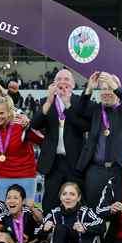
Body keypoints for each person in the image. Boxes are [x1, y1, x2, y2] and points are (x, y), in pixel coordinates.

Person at [31, 70, 88, 213]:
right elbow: (35, 124)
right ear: (54, 83)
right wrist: (50, 101)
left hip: (74, 161)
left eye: (67, 79)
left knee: (76, 200)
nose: (63, 81)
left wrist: (68, 105)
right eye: (60, 79)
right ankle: (50, 231)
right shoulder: (46, 101)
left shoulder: (80, 102)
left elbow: (84, 126)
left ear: (73, 84)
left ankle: (76, 231)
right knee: (50, 201)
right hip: (53, 162)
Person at [77, 72, 122, 208]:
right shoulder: (96, 110)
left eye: (110, 88)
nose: (107, 92)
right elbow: (80, 110)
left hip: (118, 170)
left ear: (117, 90)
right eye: (104, 88)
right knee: (93, 209)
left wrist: (114, 85)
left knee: (118, 211)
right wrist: (89, 89)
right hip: (95, 170)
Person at [40, 182, 104, 243]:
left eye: (72, 194)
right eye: (64, 194)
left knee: (89, 232)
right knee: (60, 228)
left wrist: (84, 227)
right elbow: (37, 231)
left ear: (78, 198)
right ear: (60, 197)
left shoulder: (86, 212)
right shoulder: (55, 213)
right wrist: (44, 229)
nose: (68, 197)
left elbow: (102, 226)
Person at [0, 97, 43, 201]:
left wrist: (29, 125)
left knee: (26, 211)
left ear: (9, 112)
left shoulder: (21, 125)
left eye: (1, 113)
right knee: (3, 211)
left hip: (26, 175)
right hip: (2, 176)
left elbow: (41, 140)